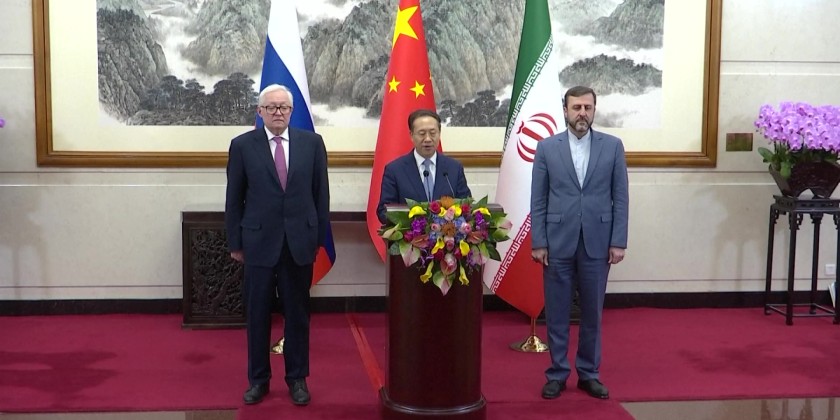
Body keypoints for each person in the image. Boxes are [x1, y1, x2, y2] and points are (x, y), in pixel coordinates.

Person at [225, 84, 330, 406]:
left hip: (299, 242)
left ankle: (297, 378)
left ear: (292, 111)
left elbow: (321, 194)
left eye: (283, 107)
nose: (277, 113)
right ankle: (258, 380)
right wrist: (235, 242)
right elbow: (234, 198)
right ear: (260, 112)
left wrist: (318, 237)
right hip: (257, 242)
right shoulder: (242, 146)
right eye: (271, 107)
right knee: (257, 314)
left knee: (297, 314)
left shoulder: (312, 144)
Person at [530, 86, 629, 400]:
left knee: (592, 314)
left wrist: (618, 241)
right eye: (576, 108)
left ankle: (588, 373)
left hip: (598, 242)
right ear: (565, 111)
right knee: (557, 312)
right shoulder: (547, 148)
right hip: (557, 242)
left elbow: (621, 198)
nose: (582, 113)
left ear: (594, 110)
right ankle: (557, 373)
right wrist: (539, 241)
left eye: (587, 107)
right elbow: (538, 200)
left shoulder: (613, 147)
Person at [376, 109, 472, 224]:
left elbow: (467, 207)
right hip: (411, 234)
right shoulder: (395, 170)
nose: (427, 139)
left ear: (439, 134)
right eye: (422, 134)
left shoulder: (454, 168)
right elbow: (384, 212)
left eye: (433, 133)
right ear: (411, 135)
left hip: (448, 233)